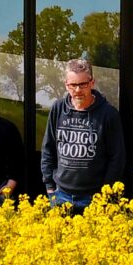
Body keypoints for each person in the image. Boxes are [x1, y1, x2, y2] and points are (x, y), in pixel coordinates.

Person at [40, 58, 126, 214]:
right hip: (60, 195)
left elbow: (117, 159)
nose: (78, 90)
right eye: (73, 85)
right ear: (66, 84)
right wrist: (50, 187)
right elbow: (48, 148)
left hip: (93, 198)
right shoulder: (58, 108)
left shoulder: (108, 115)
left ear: (92, 83)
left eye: (82, 84)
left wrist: (103, 194)